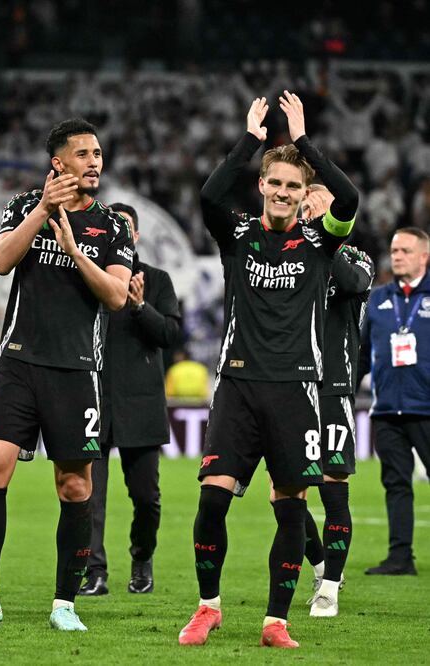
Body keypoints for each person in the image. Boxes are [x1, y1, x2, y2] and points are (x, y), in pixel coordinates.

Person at [178, 93, 359, 649]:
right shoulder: (237, 236)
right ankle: (208, 608)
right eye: (275, 183)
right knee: (212, 499)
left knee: (290, 509)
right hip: (237, 384)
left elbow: (349, 197)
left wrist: (303, 143)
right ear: (262, 186)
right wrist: (252, 142)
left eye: (293, 187)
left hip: (296, 389)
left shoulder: (319, 241)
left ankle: (275, 622)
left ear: (304, 196)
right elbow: (209, 193)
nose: (283, 193)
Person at [0, 118, 134, 632]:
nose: (95, 161)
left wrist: (74, 251)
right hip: (19, 362)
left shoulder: (111, 225)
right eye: (83, 153)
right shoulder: (24, 204)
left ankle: (64, 604)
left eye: (98, 152)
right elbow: (0, 261)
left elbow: (117, 296)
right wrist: (43, 213)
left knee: (75, 487)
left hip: (76, 369)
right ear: (59, 162)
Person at [79, 202, 181, 598]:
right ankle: (95, 573)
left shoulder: (156, 280)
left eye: (127, 227)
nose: (121, 231)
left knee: (146, 499)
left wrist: (139, 306)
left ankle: (142, 559)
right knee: (89, 498)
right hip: (93, 401)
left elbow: (171, 336)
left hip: (140, 403)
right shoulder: (87, 277)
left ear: (135, 236)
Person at [288, 186, 374, 618]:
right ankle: (323, 567)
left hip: (333, 389)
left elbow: (353, 284)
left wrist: (331, 236)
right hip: (289, 388)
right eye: (304, 209)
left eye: (316, 208)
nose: (309, 214)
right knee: (284, 494)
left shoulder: (357, 258)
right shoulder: (292, 260)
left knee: (333, 490)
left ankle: (330, 591)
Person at [360, 227, 430, 576]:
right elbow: (359, 354)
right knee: (396, 484)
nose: (396, 255)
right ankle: (400, 557)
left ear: (423, 257)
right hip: (387, 408)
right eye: (393, 249)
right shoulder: (377, 299)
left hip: (426, 408)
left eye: (404, 250)